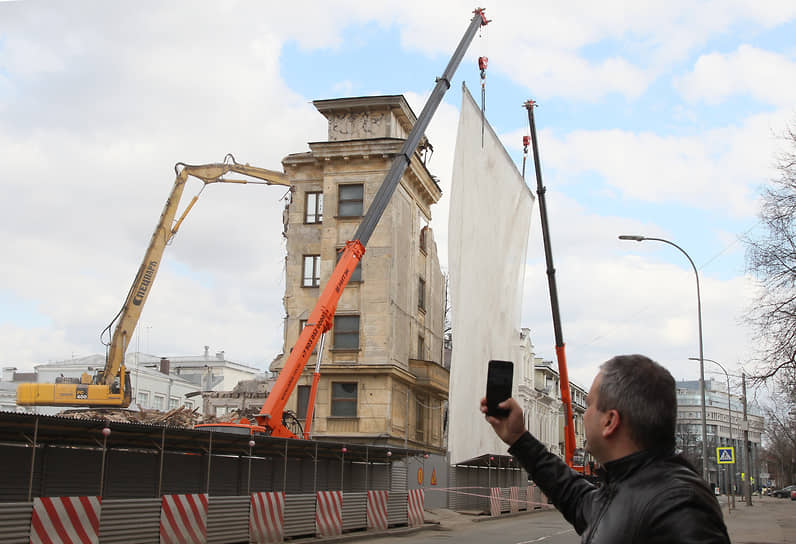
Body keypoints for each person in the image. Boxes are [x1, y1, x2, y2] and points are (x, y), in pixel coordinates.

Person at [481, 354, 730, 543]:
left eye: (589, 405)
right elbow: (573, 493)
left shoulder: (678, 506)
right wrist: (519, 438)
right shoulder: (626, 487)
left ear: (610, 421)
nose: (583, 415)